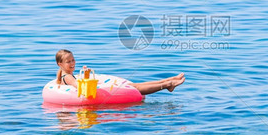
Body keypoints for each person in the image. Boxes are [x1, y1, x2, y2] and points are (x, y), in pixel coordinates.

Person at [55, 49, 185, 95]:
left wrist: (86, 74)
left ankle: (168, 80)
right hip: (102, 92)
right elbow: (81, 88)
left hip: (102, 89)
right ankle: (167, 84)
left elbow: (60, 82)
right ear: (60, 64)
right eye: (68, 62)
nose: (72, 63)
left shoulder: (61, 73)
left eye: (73, 60)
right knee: (136, 87)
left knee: (136, 85)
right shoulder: (68, 77)